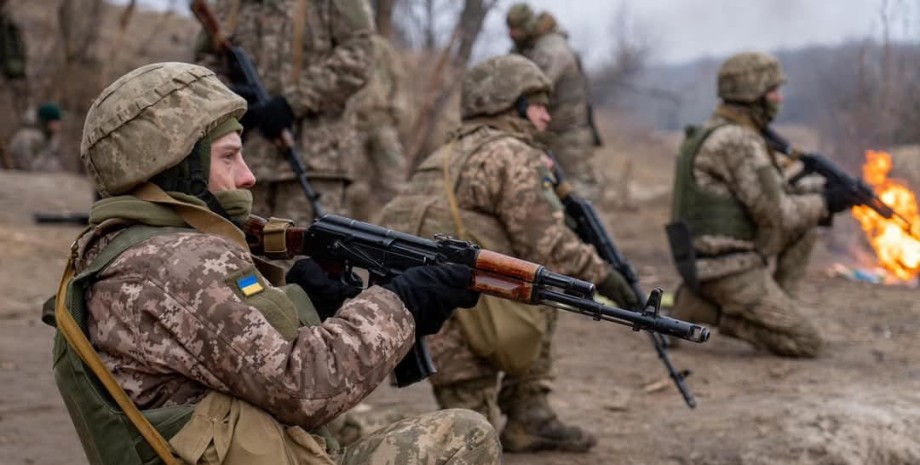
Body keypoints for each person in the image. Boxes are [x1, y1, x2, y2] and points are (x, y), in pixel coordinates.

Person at [49, 61, 500, 465]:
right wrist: (402, 302)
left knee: (356, 429)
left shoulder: (117, 249)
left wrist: (306, 301)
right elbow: (306, 387)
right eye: (228, 156)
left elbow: (225, 349)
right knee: (463, 435)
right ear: (176, 168)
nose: (248, 176)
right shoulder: (179, 261)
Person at [378, 55, 638, 453]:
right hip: (471, 310)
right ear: (509, 104)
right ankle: (527, 413)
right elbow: (548, 242)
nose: (546, 117)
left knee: (468, 432)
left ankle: (513, 420)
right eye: (537, 104)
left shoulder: (441, 156)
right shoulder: (512, 153)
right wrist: (607, 278)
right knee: (549, 283)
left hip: (428, 313)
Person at [668, 51, 855, 358]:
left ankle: (778, 310)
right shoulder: (739, 142)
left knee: (805, 226)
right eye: (773, 91)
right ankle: (704, 311)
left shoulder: (718, 132)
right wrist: (825, 202)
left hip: (712, 257)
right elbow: (778, 215)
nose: (779, 99)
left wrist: (824, 192)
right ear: (753, 95)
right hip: (726, 267)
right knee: (805, 342)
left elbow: (772, 193)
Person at [200, 0, 376, 224]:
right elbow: (206, 61)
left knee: (305, 251)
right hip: (242, 160)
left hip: (314, 162)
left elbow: (358, 58)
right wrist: (232, 96)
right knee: (237, 251)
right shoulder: (229, 5)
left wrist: (293, 102)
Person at [506, 3, 602, 202]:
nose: (512, 35)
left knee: (578, 197)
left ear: (529, 26)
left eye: (516, 30)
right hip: (549, 134)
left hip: (568, 137)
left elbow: (532, 86)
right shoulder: (532, 48)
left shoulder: (552, 50)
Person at [346, 33, 408, 222]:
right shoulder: (347, 45)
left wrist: (397, 110)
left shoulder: (383, 47)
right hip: (353, 122)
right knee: (353, 183)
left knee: (394, 180)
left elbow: (398, 78)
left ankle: (398, 225)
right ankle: (356, 225)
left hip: (382, 120)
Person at [9, 103, 64, 171]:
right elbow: (28, 166)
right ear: (45, 121)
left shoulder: (49, 137)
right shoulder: (27, 137)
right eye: (55, 122)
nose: (58, 126)